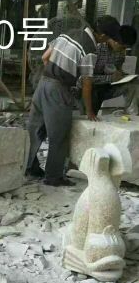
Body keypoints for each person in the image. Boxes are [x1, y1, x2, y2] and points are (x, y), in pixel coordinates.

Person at [27, 16, 122, 187]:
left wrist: (54, 72)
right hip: (59, 89)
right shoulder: (89, 49)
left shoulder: (68, 33)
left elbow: (45, 57)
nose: (107, 41)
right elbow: (87, 83)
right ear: (102, 35)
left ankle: (29, 167)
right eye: (108, 38)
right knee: (59, 134)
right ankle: (53, 177)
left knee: (35, 129)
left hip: (43, 83)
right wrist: (90, 111)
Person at [78, 25, 138, 115]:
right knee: (89, 117)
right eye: (123, 47)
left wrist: (123, 75)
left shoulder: (120, 52)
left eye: (126, 48)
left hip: (106, 86)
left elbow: (117, 70)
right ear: (115, 40)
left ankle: (132, 115)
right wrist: (110, 78)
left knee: (133, 84)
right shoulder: (96, 47)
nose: (123, 51)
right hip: (89, 88)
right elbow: (84, 79)